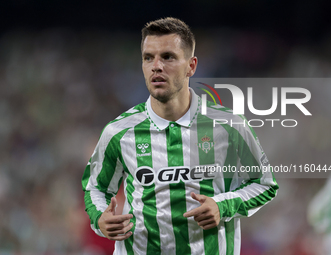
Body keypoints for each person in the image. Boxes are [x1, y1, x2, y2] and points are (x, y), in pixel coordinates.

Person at [82, 17, 279, 255]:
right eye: (148, 58)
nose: (156, 66)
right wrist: (100, 219)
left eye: (168, 57)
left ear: (191, 66)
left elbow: (264, 184)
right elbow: (96, 188)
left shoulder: (230, 126)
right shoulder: (119, 131)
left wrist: (223, 205)